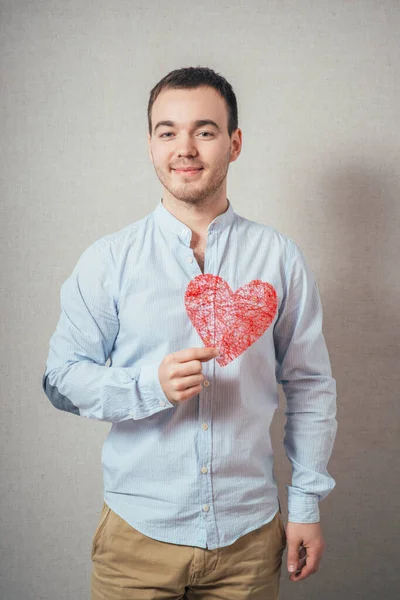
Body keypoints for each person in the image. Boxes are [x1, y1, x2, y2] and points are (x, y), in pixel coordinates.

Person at [42, 66, 338, 600]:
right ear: (151, 146)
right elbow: (60, 379)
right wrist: (147, 386)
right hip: (136, 539)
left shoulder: (279, 259)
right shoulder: (109, 260)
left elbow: (311, 385)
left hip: (249, 540)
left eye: (204, 131)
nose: (186, 148)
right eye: (167, 131)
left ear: (234, 142)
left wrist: (306, 505)